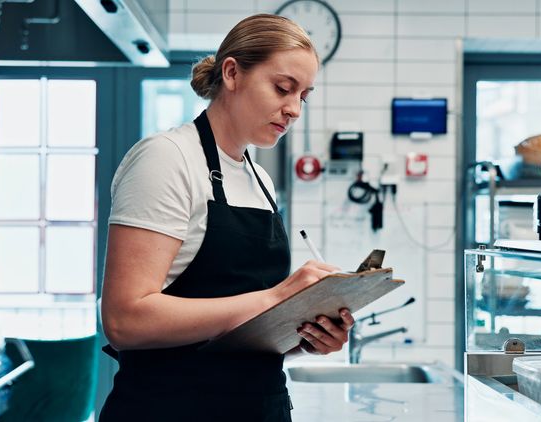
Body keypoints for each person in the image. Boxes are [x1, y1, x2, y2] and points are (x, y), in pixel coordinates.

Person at [99, 14, 355, 421]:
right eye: (283, 88)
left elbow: (240, 332)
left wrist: (304, 333)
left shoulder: (260, 179)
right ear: (232, 73)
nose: (293, 110)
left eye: (303, 96)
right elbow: (124, 319)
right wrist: (276, 297)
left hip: (260, 408)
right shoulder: (167, 159)